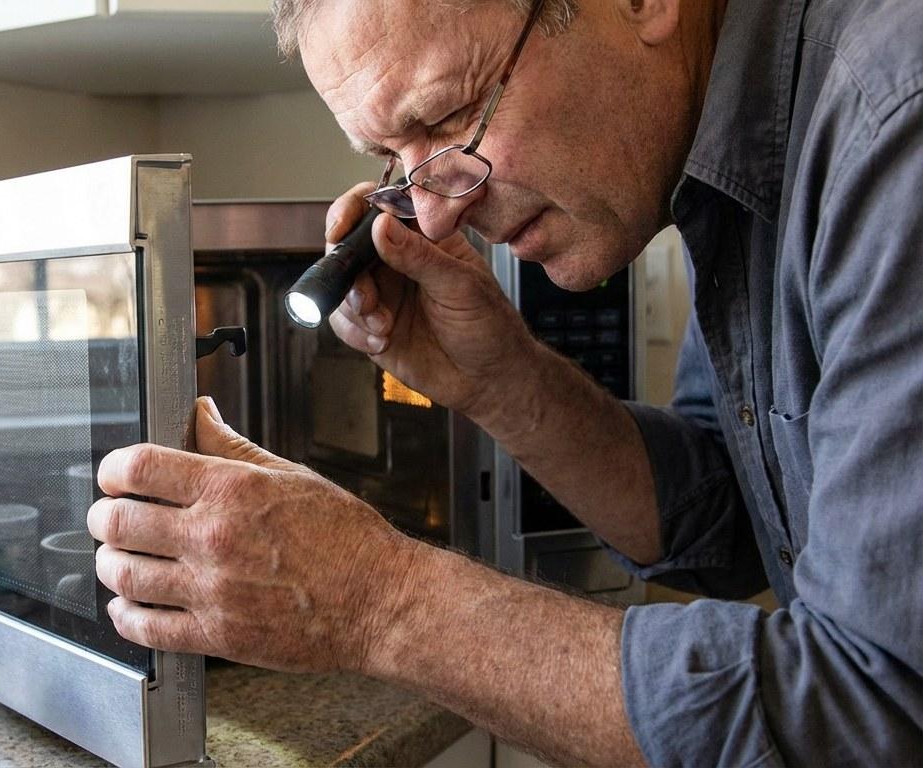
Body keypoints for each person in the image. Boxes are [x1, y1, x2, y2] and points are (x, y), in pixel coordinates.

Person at [86, 0, 923, 763]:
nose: (435, 212)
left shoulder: (893, 121)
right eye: (393, 160)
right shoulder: (731, 170)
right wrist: (502, 381)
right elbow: (734, 520)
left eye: (448, 116)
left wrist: (373, 599)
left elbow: (869, 712)